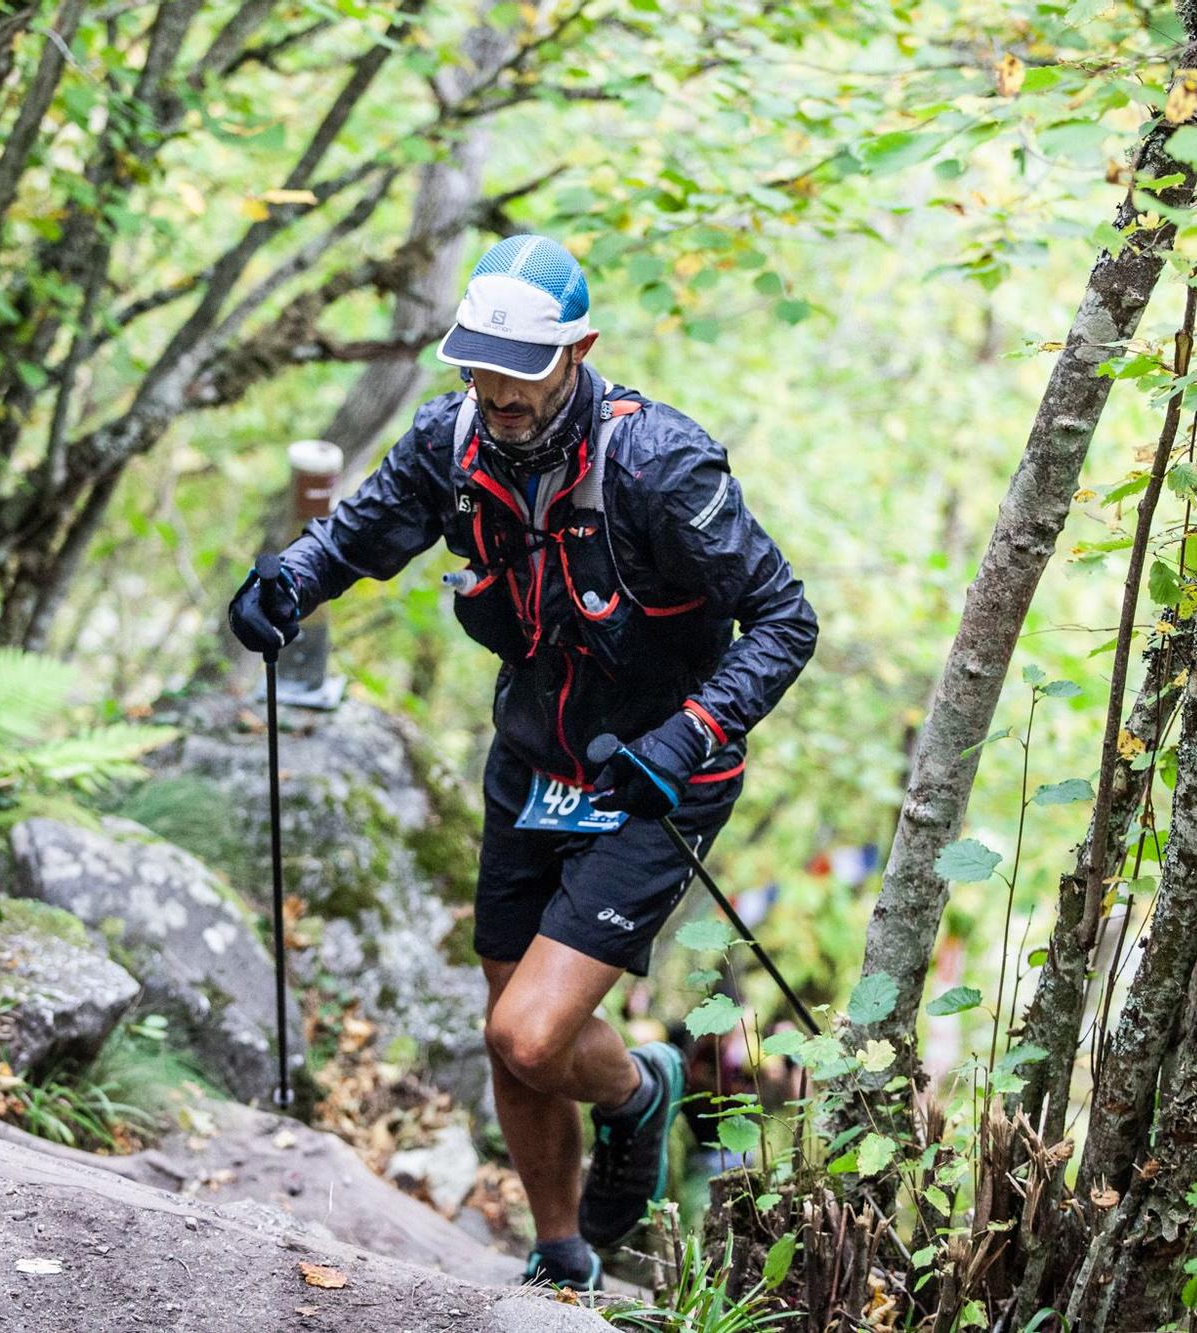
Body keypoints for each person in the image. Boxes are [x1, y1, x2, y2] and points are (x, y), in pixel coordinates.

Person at [228, 234, 817, 1291]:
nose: (496, 391)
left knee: (530, 1033)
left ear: (577, 350)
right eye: (479, 366)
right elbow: (362, 533)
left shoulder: (661, 465)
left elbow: (782, 619)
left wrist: (687, 734)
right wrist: (290, 580)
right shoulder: (450, 441)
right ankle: (561, 1255)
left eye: (520, 367)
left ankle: (641, 1089)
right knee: (509, 1041)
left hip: (656, 782)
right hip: (532, 759)